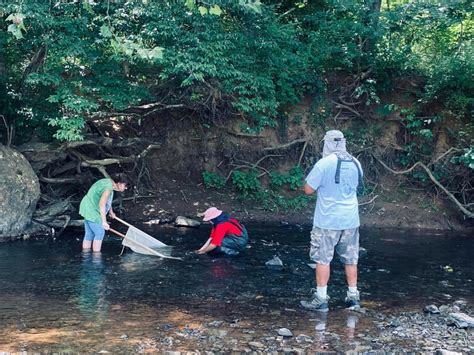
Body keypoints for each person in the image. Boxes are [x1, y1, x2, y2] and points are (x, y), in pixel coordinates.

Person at [300, 130, 364, 312]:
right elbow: (358, 187)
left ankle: (321, 299)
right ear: (343, 142)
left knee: (323, 259)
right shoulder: (356, 162)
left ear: (326, 143)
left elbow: (308, 189)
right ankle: (353, 297)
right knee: (351, 260)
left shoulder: (324, 164)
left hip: (327, 220)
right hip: (351, 219)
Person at [79, 174, 129, 252]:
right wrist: (104, 222)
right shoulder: (108, 189)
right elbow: (102, 204)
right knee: (100, 233)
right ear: (119, 183)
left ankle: (86, 256)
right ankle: (96, 258)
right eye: (125, 185)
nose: (126, 188)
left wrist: (111, 212)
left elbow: (106, 200)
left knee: (90, 234)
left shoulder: (109, 182)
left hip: (86, 206)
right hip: (92, 210)